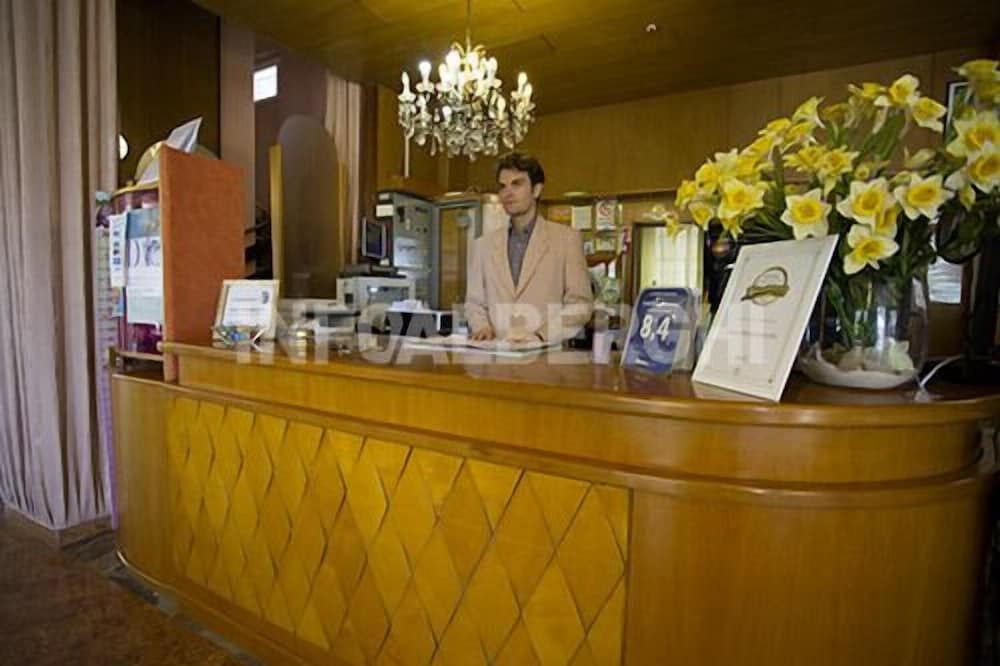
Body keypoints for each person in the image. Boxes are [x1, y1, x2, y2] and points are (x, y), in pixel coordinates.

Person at [465, 152, 593, 343]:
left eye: (516, 184)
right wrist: (482, 326)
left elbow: (580, 305)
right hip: (496, 355)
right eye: (503, 186)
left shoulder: (566, 239)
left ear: (536, 190)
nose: (507, 193)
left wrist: (541, 336)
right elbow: (474, 303)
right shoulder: (483, 245)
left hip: (545, 355)